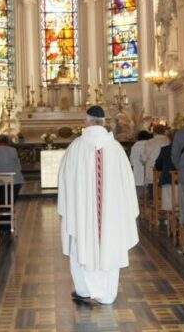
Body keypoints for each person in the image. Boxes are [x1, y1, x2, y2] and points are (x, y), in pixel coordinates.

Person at [58, 106, 139, 306]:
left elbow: (64, 179)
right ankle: (108, 294)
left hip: (82, 215)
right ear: (103, 122)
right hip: (111, 215)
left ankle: (84, 289)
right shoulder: (116, 149)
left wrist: (73, 204)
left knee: (81, 243)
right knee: (110, 244)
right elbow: (128, 182)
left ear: (87, 121)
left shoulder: (76, 147)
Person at [0, 134, 24, 198]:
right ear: (7, 142)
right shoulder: (13, 150)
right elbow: (19, 167)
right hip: (13, 182)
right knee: (11, 196)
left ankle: (0, 203)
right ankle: (11, 203)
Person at [153, 130, 177, 211]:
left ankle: (169, 217)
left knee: (168, 206)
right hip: (183, 182)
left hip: (168, 180)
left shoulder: (165, 149)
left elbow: (158, 165)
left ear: (169, 138)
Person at [129, 130, 153, 198]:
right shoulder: (148, 144)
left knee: (137, 191)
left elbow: (131, 159)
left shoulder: (134, 145)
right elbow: (145, 158)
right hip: (145, 169)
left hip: (136, 170)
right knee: (146, 190)